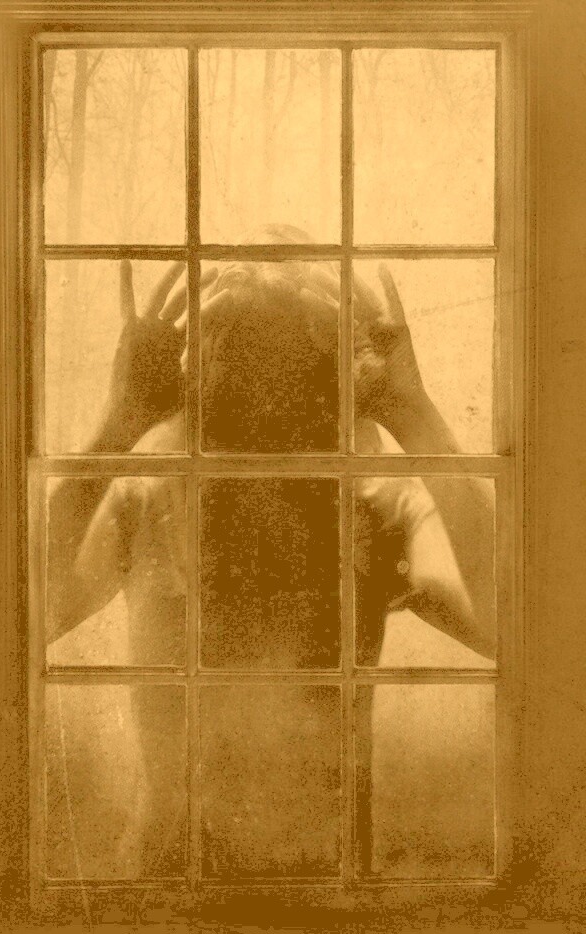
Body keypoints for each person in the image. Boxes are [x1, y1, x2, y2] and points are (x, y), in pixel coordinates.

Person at [46, 225, 495, 878]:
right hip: (169, 895)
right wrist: (118, 424)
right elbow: (14, 627)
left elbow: (515, 630)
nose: (264, 407)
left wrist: (414, 413)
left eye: (284, 367)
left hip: (322, 895)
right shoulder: (147, 502)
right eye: (245, 362)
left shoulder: (375, 510)